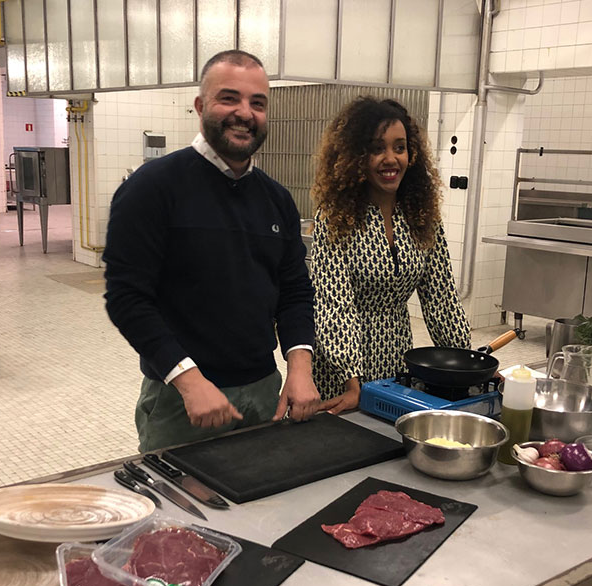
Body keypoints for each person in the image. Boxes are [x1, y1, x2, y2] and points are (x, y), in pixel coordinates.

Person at [103, 50, 320, 452]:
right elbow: (126, 298)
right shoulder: (152, 188)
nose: (244, 112)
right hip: (180, 400)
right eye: (229, 98)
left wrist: (300, 368)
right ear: (201, 106)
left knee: (264, 508)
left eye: (257, 103)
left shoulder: (277, 200)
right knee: (180, 513)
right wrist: (189, 380)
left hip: (263, 391)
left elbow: (293, 291)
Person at [311, 96, 471, 413]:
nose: (390, 158)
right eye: (376, 148)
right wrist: (351, 379)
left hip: (396, 355)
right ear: (356, 156)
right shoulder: (335, 219)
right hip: (340, 369)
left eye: (399, 147)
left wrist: (468, 362)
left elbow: (442, 298)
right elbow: (333, 304)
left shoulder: (421, 218)